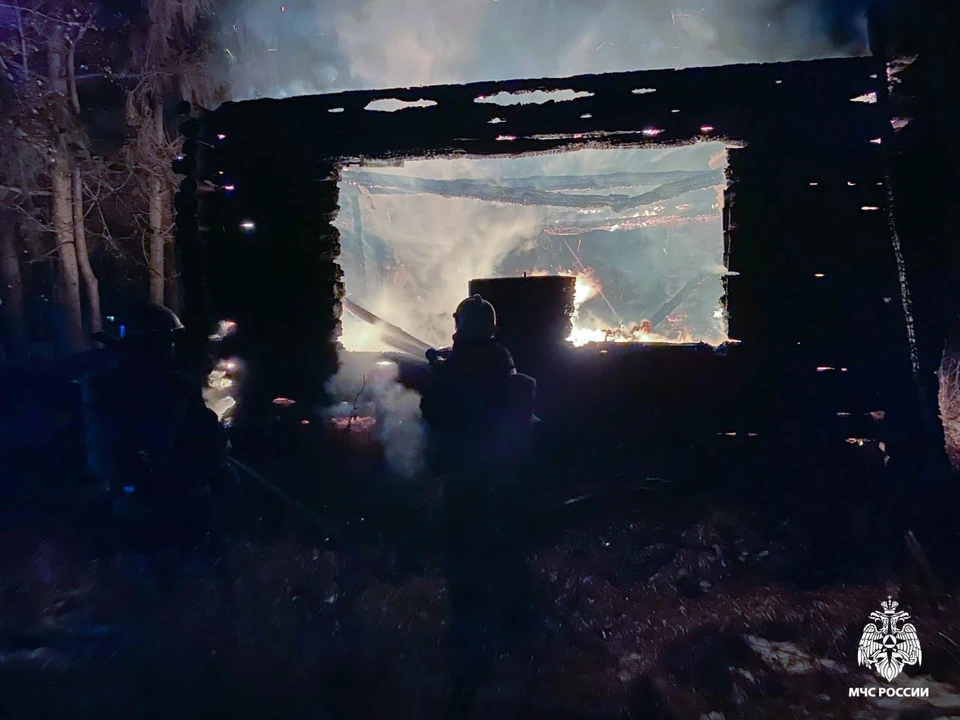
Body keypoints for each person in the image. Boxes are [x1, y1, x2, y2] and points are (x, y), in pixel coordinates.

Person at [420, 294, 537, 719]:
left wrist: (439, 373)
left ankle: (470, 653)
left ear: (463, 326)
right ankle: (515, 624)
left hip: (465, 475)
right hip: (499, 475)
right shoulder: (501, 361)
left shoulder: (461, 369)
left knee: (462, 557)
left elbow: (436, 411)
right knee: (500, 546)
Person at [82, 301, 231, 591]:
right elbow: (211, 440)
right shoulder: (177, 386)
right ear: (161, 343)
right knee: (205, 575)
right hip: (180, 499)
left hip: (124, 500)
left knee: (142, 582)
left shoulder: (99, 385)